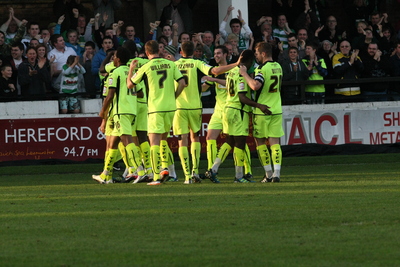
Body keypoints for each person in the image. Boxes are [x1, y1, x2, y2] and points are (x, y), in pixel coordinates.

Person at [173, 41, 240, 184]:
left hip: (179, 106)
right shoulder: (197, 63)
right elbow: (214, 71)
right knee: (195, 138)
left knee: (182, 140)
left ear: (180, 50)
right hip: (195, 106)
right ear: (194, 51)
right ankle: (195, 172)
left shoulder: (174, 65)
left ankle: (186, 177)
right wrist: (236, 63)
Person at [128, 40, 186, 186]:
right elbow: (182, 82)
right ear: (159, 51)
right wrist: (174, 96)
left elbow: (130, 84)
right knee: (163, 140)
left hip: (155, 108)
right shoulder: (171, 64)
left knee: (153, 141)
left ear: (147, 53)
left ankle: (155, 176)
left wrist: (131, 70)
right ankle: (164, 167)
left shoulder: (147, 66)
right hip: (171, 107)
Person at [92, 47, 142, 184]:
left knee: (127, 141)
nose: (113, 59)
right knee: (113, 143)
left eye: (114, 57)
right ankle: (105, 175)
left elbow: (110, 95)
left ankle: (141, 171)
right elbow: (141, 93)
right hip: (132, 110)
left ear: (118, 59)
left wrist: (103, 111)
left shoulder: (116, 72)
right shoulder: (131, 73)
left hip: (121, 111)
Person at [239, 42, 284, 183]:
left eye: (257, 53)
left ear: (263, 53)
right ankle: (277, 174)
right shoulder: (278, 66)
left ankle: (268, 174)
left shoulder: (261, 69)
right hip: (276, 109)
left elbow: (255, 85)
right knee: (275, 142)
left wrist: (244, 74)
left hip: (262, 110)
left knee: (260, 142)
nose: (256, 56)